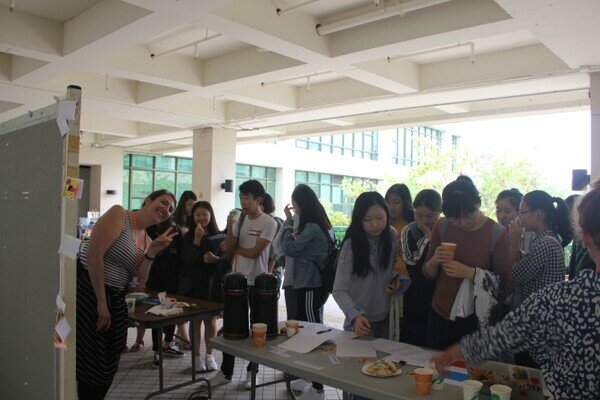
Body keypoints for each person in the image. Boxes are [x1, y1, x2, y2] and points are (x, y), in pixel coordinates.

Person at [432, 181, 600, 400]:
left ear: (584, 237)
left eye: (520, 211)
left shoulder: (564, 299)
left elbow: (504, 331)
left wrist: (450, 355)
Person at [76, 189, 177, 400]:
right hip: (89, 290)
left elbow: (138, 282)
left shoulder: (147, 240)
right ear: (149, 200)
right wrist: (101, 302)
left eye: (170, 209)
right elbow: (94, 256)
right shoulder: (119, 214)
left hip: (116, 296)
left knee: (111, 357)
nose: (165, 209)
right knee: (92, 360)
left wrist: (152, 253)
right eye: (163, 202)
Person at [333, 192, 410, 400]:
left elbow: (388, 272)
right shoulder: (351, 245)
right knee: (356, 382)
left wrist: (396, 283)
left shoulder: (391, 236)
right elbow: (339, 289)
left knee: (380, 381)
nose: (375, 224)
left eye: (380, 218)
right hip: (358, 324)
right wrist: (355, 315)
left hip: (384, 320)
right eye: (368, 219)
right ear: (359, 220)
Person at [423, 179, 510, 350]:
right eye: (455, 218)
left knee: (470, 373)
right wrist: (434, 261)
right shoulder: (442, 225)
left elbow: (505, 285)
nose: (462, 222)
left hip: (475, 319)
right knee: (436, 369)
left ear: (478, 203)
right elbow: (427, 273)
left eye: (468, 215)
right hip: (441, 312)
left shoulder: (496, 234)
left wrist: (470, 273)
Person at [209, 180, 277, 390]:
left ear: (259, 199)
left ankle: (251, 372)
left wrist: (235, 248)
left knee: (257, 329)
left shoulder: (269, 222)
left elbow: (255, 252)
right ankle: (226, 372)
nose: (243, 202)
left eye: (247, 197)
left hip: (258, 283)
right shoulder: (239, 218)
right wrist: (231, 226)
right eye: (241, 197)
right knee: (232, 328)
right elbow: (229, 246)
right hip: (236, 280)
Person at [507, 190, 570, 367]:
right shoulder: (546, 239)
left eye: (522, 212)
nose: (520, 217)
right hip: (539, 322)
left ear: (539, 214)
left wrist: (513, 243)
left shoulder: (546, 243)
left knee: (527, 372)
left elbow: (516, 276)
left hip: (537, 325)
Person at [281, 184, 332, 400]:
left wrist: (287, 223)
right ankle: (308, 378)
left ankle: (318, 389)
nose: (294, 210)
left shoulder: (312, 227)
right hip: (310, 285)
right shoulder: (321, 224)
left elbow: (289, 248)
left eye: (295, 206)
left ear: (301, 204)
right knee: (308, 331)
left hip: (312, 285)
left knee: (313, 334)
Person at [180, 201, 221, 372]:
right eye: (198, 214)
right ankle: (196, 357)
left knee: (211, 321)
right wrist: (197, 239)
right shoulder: (188, 236)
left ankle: (209, 355)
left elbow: (226, 260)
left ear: (211, 215)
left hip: (212, 283)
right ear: (192, 217)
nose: (202, 218)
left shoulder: (219, 235)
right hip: (195, 284)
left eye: (205, 214)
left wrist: (215, 259)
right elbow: (186, 260)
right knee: (196, 320)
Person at [400, 189, 441, 347]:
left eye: (430, 216)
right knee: (414, 340)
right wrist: (427, 234)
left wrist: (430, 233)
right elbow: (412, 262)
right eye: (420, 215)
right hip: (415, 293)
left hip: (437, 293)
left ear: (440, 211)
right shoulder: (409, 230)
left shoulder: (446, 228)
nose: (424, 220)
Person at [144, 219, 185, 367]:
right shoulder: (149, 229)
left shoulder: (176, 230)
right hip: (155, 282)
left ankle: (167, 343)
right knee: (157, 315)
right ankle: (157, 351)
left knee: (171, 312)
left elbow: (181, 254)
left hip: (172, 281)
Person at [171, 190, 197, 348]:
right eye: (189, 205)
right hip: (178, 265)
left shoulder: (194, 221)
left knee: (187, 303)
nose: (191, 208)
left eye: (194, 205)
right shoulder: (176, 221)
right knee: (179, 301)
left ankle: (181, 337)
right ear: (183, 205)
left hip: (190, 266)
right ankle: (184, 337)